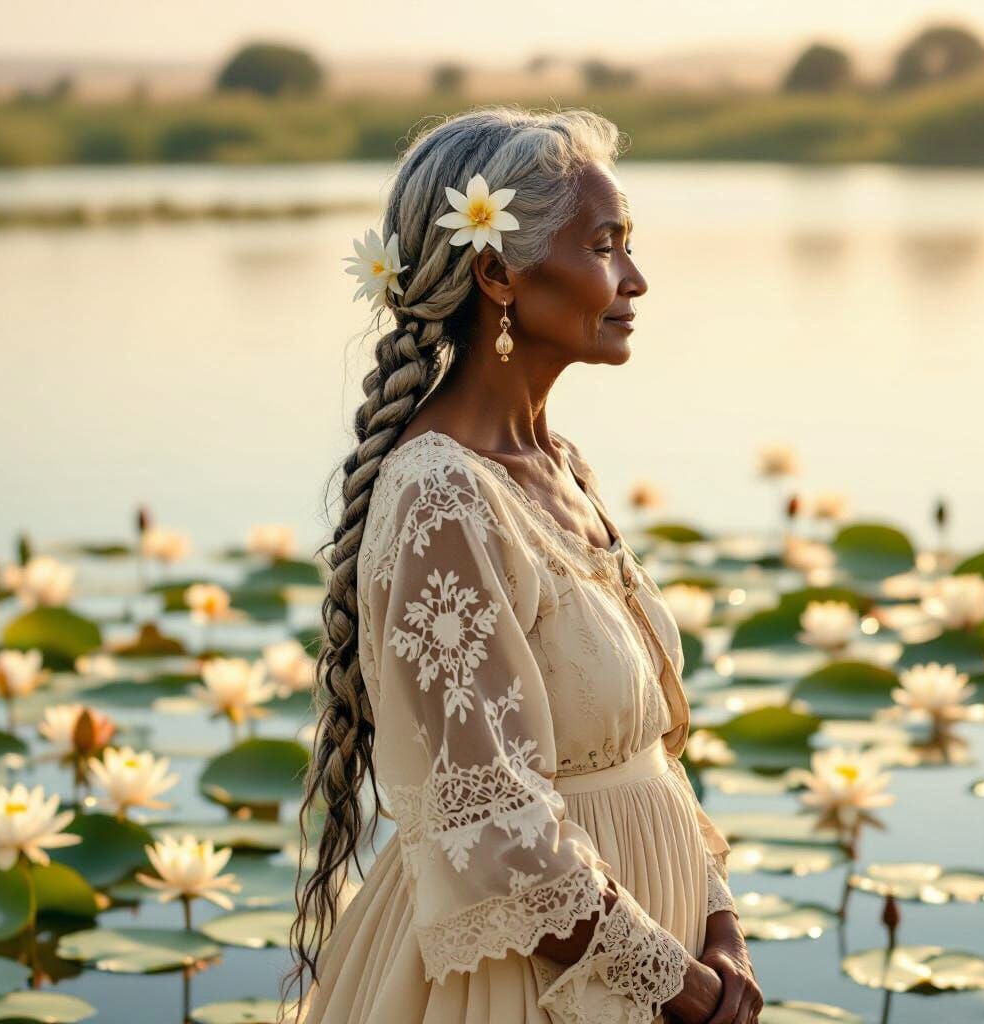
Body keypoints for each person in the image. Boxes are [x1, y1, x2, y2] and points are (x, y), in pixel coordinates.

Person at [284, 106, 764, 1024]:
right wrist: (681, 987)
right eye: (606, 246)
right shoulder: (440, 498)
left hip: (659, 956)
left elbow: (648, 750)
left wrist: (720, 923)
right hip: (524, 982)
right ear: (498, 272)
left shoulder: (559, 466)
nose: (636, 279)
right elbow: (493, 825)